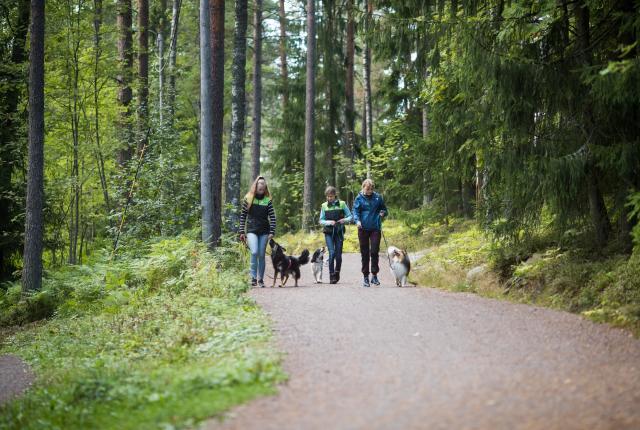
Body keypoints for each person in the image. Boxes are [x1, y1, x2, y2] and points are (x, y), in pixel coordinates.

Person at [239, 176, 276, 287]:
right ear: (256, 185)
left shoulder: (267, 200)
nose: (262, 185)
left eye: (263, 184)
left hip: (264, 231)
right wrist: (241, 230)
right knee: (254, 252)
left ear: (265, 187)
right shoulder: (248, 198)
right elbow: (243, 215)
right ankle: (253, 277)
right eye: (260, 183)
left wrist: (272, 231)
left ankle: (260, 279)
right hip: (251, 230)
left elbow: (272, 217)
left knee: (261, 255)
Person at [352, 179, 388, 287]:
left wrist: (382, 213)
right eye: (367, 189)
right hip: (362, 228)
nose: (369, 191)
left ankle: (374, 275)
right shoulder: (359, 198)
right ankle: (365, 277)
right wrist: (357, 220)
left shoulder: (377, 197)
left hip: (375, 228)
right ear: (363, 188)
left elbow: (384, 209)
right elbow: (355, 211)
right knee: (365, 253)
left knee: (374, 251)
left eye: (371, 189)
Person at [319, 186, 352, 284]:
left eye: (331, 196)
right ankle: (331, 275)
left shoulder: (342, 204)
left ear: (335, 196)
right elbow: (321, 220)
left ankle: (337, 272)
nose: (329, 198)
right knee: (332, 253)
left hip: (339, 232)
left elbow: (350, 216)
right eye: (328, 197)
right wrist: (329, 222)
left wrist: (343, 220)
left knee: (338, 255)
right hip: (328, 233)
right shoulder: (324, 206)